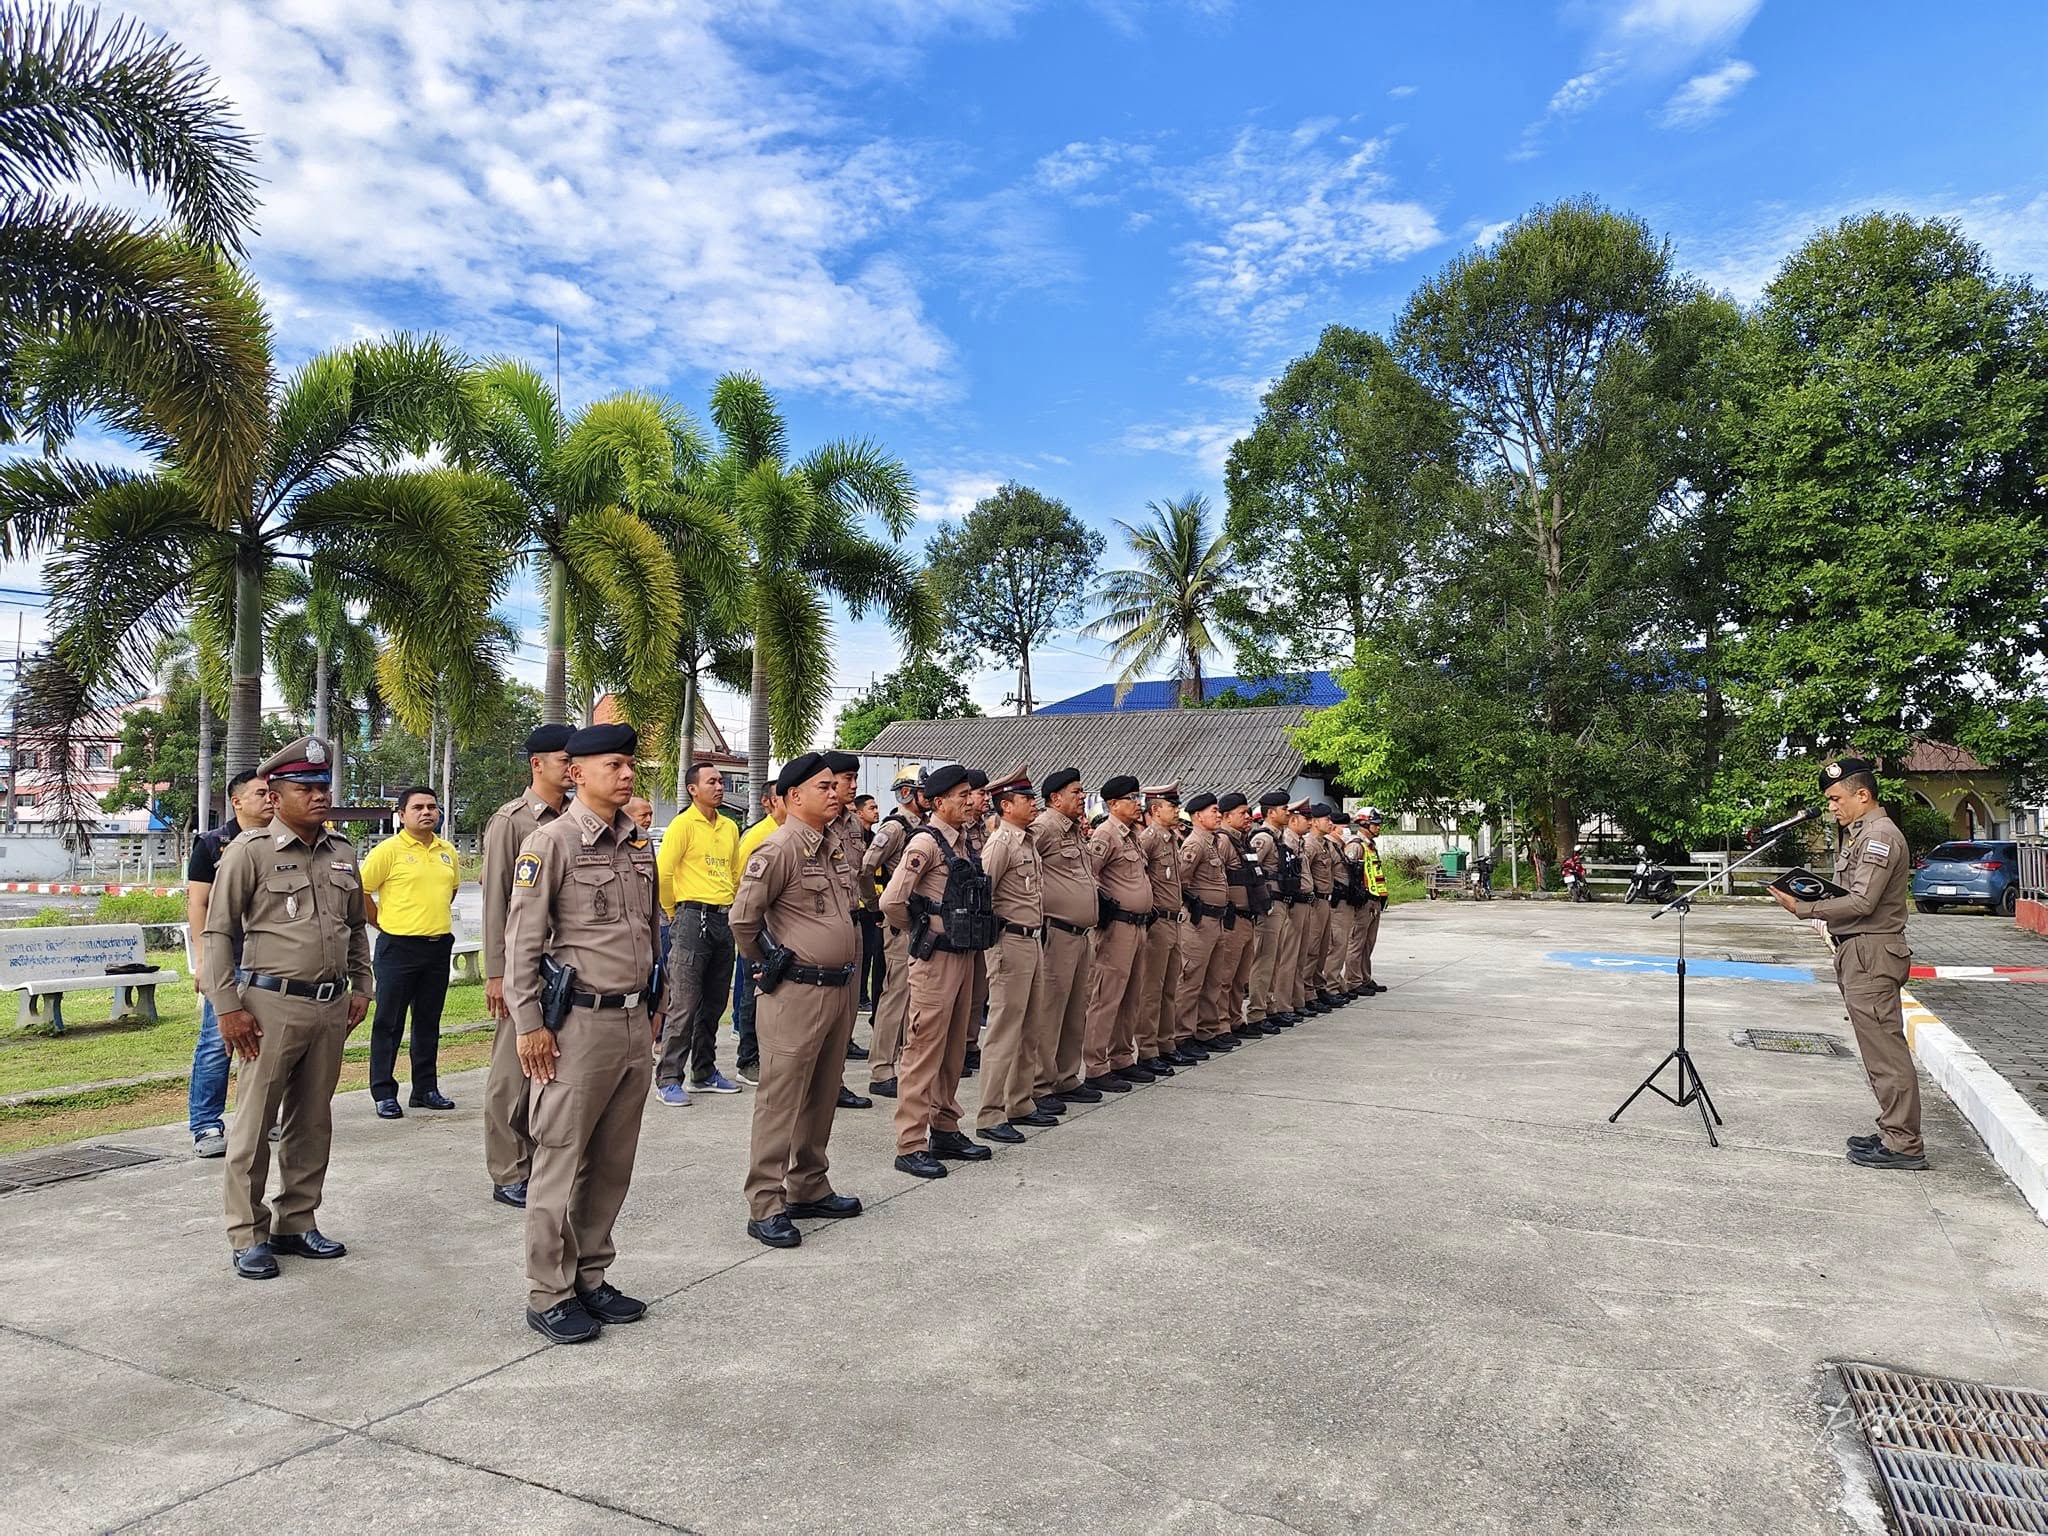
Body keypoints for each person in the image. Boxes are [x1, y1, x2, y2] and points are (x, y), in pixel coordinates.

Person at [504, 722, 663, 1344]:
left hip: (631, 1023)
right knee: (560, 1162)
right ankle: (549, 1292)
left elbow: (652, 930)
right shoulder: (551, 843)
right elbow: (522, 942)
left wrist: (657, 1003)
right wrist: (530, 1025)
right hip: (576, 1028)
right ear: (577, 774)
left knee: (612, 1163)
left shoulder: (639, 844)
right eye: (615, 766)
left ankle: (592, 1277)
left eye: (630, 766)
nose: (627, 775)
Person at [202, 736, 371, 1281]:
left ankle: (296, 1221)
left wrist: (362, 987)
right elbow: (217, 931)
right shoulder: (249, 853)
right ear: (275, 796)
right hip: (268, 1005)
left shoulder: (343, 853)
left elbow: (356, 931)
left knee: (312, 1120)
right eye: (306, 788)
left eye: (324, 786)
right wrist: (228, 1007)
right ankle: (248, 1233)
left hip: (329, 1006)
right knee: (253, 1126)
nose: (320, 795)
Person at [730, 753, 864, 1248]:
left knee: (823, 1091)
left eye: (836, 785)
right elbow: (743, 920)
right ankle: (765, 1202)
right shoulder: (778, 847)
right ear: (793, 798)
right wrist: (769, 963)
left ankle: (808, 1183)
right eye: (823, 786)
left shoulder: (830, 846)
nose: (834, 792)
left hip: (838, 988)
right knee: (781, 1099)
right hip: (796, 991)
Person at [1770, 757, 1924, 1171]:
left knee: (1885, 1052)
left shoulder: (1879, 837)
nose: (1832, 807)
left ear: (1863, 794)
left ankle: (1904, 1144)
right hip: (1860, 950)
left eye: (1837, 799)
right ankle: (1894, 1129)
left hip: (1872, 952)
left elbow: (1862, 901)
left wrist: (1805, 908)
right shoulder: (1861, 834)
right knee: (1876, 1050)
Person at [880, 762, 995, 1177]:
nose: (970, 801)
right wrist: (921, 931)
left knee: (953, 1049)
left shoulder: (964, 842)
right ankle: (911, 1142)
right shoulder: (924, 844)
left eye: (971, 794)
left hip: (964, 955)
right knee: (923, 1048)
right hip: (935, 959)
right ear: (940, 801)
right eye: (962, 795)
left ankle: (945, 1126)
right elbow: (892, 901)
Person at [480, 723, 573, 1210]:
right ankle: (508, 1168)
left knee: (552, 1070)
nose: (571, 767)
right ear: (537, 764)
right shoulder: (512, 821)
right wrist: (498, 973)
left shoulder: (576, 818)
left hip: (567, 968)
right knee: (510, 1074)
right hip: (523, 967)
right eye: (563, 759)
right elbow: (496, 900)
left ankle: (541, 1159)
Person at [184, 770, 274, 1157]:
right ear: (237, 802)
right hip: (229, 962)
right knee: (216, 1044)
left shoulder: (282, 841)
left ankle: (265, 1119)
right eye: (260, 794)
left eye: (272, 793)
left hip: (271, 962)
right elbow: (198, 904)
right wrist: (204, 961)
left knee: (272, 1044)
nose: (270, 799)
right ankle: (206, 1126)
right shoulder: (212, 844)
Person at [361, 785, 461, 1118]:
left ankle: (425, 1088)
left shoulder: (448, 850)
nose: (426, 812)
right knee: (389, 1022)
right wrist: (384, 925)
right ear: (401, 815)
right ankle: (384, 1092)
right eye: (417, 807)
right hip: (397, 947)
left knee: (428, 1021)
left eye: (431, 806)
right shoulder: (388, 851)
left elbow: (452, 891)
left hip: (436, 947)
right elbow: (361, 891)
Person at [653, 762, 743, 1107]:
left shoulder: (729, 826)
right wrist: (676, 914)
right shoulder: (683, 825)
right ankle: (669, 1077)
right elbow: (664, 874)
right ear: (693, 789)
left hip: (723, 919)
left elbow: (735, 873)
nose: (720, 787)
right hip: (692, 917)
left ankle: (704, 1072)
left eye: (721, 781)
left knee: (715, 1002)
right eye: (712, 782)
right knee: (685, 1002)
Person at [977, 771, 1056, 1142]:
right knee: (1004, 1030)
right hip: (1009, 942)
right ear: (1006, 806)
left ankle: (1020, 1102)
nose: (1033, 803)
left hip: (1033, 941)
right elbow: (984, 896)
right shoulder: (1001, 844)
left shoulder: (1026, 842)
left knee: (1030, 1026)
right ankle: (991, 1113)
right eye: (1026, 799)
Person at [1081, 774, 1155, 1092]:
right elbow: (1090, 874)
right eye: (1131, 799)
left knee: (1131, 995)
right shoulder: (1106, 834)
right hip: (1117, 927)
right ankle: (1097, 1064)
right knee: (1107, 997)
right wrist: (1105, 906)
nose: (1138, 804)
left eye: (1138, 798)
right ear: (1113, 804)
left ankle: (1122, 1057)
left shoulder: (1131, 836)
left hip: (1138, 926)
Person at [860, 766, 925, 1098]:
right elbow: (867, 866)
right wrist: (876, 906)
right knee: (895, 994)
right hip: (899, 924)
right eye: (921, 790)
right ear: (906, 793)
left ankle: (900, 1061)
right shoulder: (895, 828)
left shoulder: (923, 828)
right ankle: (882, 1067)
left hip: (920, 923)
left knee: (914, 996)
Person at [1174, 793, 1241, 1053]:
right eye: (1213, 811)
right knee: (1191, 980)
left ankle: (1207, 1029)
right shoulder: (1195, 845)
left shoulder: (1213, 843)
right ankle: (1183, 1034)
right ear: (1198, 816)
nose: (1218, 815)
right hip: (1199, 922)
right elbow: (1180, 881)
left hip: (1217, 920)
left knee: (1214, 978)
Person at [1135, 782, 1192, 1071]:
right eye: (1172, 806)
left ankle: (1166, 1042)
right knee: (1152, 989)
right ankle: (1147, 1048)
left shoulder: (1171, 838)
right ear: (1156, 810)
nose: (1177, 811)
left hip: (1175, 920)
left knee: (1170, 986)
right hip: (1158, 922)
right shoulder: (1149, 838)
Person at [731, 784, 786, 1085]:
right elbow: (741, 883)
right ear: (768, 803)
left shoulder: (792, 833)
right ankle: (748, 1059)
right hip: (759, 925)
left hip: (783, 926)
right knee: (754, 993)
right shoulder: (757, 835)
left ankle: (769, 1055)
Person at [1217, 793, 1266, 1038]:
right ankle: (1221, 1023)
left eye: (1248, 813)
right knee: (1225, 976)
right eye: (1242, 813)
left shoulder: (1242, 841)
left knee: (1239, 977)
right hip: (1233, 918)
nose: (1248, 817)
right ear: (1226, 816)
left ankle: (1235, 1019)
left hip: (1248, 916)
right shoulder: (1224, 841)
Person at [1246, 790, 1294, 1031]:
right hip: (1270, 905)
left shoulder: (1279, 837)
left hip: (1281, 902)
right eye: (1284, 809)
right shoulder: (1263, 839)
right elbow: (1252, 871)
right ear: (1271, 812)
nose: (1288, 812)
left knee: (1275, 958)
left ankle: (1269, 1005)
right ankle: (1256, 1012)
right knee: (1264, 959)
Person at [1349, 809, 1388, 993]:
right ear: (1364, 824)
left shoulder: (1370, 846)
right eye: (1375, 823)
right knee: (1357, 942)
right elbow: (1350, 875)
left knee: (1368, 943)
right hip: (1363, 902)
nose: (1378, 827)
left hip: (1374, 900)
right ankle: (1353, 981)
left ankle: (1365, 977)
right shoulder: (1356, 846)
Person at [853, 793, 884, 1013]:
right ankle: (860, 995)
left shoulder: (875, 838)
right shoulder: (855, 839)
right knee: (861, 955)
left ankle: (865, 995)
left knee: (872, 954)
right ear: (859, 812)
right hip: (859, 904)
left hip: (875, 903)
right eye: (871, 808)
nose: (876, 811)